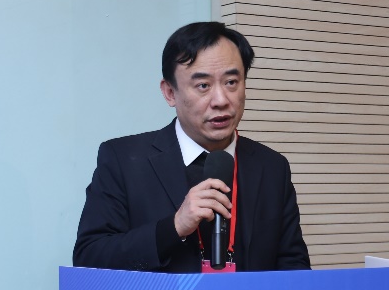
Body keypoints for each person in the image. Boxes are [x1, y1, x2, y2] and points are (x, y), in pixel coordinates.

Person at [73, 22, 310, 272]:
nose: (221, 100)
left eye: (231, 82)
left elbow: (294, 267)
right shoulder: (123, 160)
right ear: (169, 93)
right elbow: (89, 258)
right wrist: (174, 227)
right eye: (203, 86)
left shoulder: (272, 167)